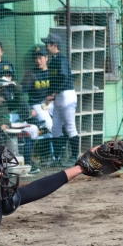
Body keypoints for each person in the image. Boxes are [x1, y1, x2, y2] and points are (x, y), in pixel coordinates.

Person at [42, 33, 78, 166]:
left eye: (48, 44)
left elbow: (63, 78)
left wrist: (54, 93)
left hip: (67, 96)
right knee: (56, 127)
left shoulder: (61, 59)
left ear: (55, 45)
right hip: (58, 98)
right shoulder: (53, 60)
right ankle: (57, 158)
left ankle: (75, 157)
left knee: (70, 127)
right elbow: (53, 81)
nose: (46, 46)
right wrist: (50, 95)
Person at [21, 46, 54, 134]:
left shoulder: (52, 72)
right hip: (37, 105)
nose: (38, 61)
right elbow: (20, 93)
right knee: (51, 126)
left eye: (40, 58)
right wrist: (27, 109)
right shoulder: (31, 74)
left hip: (50, 103)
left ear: (46, 58)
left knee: (65, 119)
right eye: (36, 58)